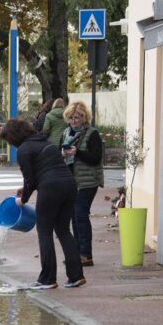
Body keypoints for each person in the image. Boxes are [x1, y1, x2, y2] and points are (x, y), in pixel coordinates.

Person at [1, 119, 86, 290]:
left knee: (44, 232)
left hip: (50, 188)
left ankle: (48, 279)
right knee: (63, 230)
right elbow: (43, 171)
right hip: (69, 185)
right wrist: (24, 189)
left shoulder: (24, 149)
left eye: (9, 141)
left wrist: (22, 199)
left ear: (13, 137)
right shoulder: (44, 141)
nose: (11, 144)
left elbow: (30, 179)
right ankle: (76, 276)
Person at [61, 101, 103, 267]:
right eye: (71, 117)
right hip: (71, 180)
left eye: (78, 117)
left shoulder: (92, 134)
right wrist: (63, 153)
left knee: (80, 214)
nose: (74, 121)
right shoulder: (66, 132)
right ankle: (77, 253)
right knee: (73, 216)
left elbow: (95, 158)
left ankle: (86, 254)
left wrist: (77, 152)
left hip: (88, 181)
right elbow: (59, 151)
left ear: (85, 117)